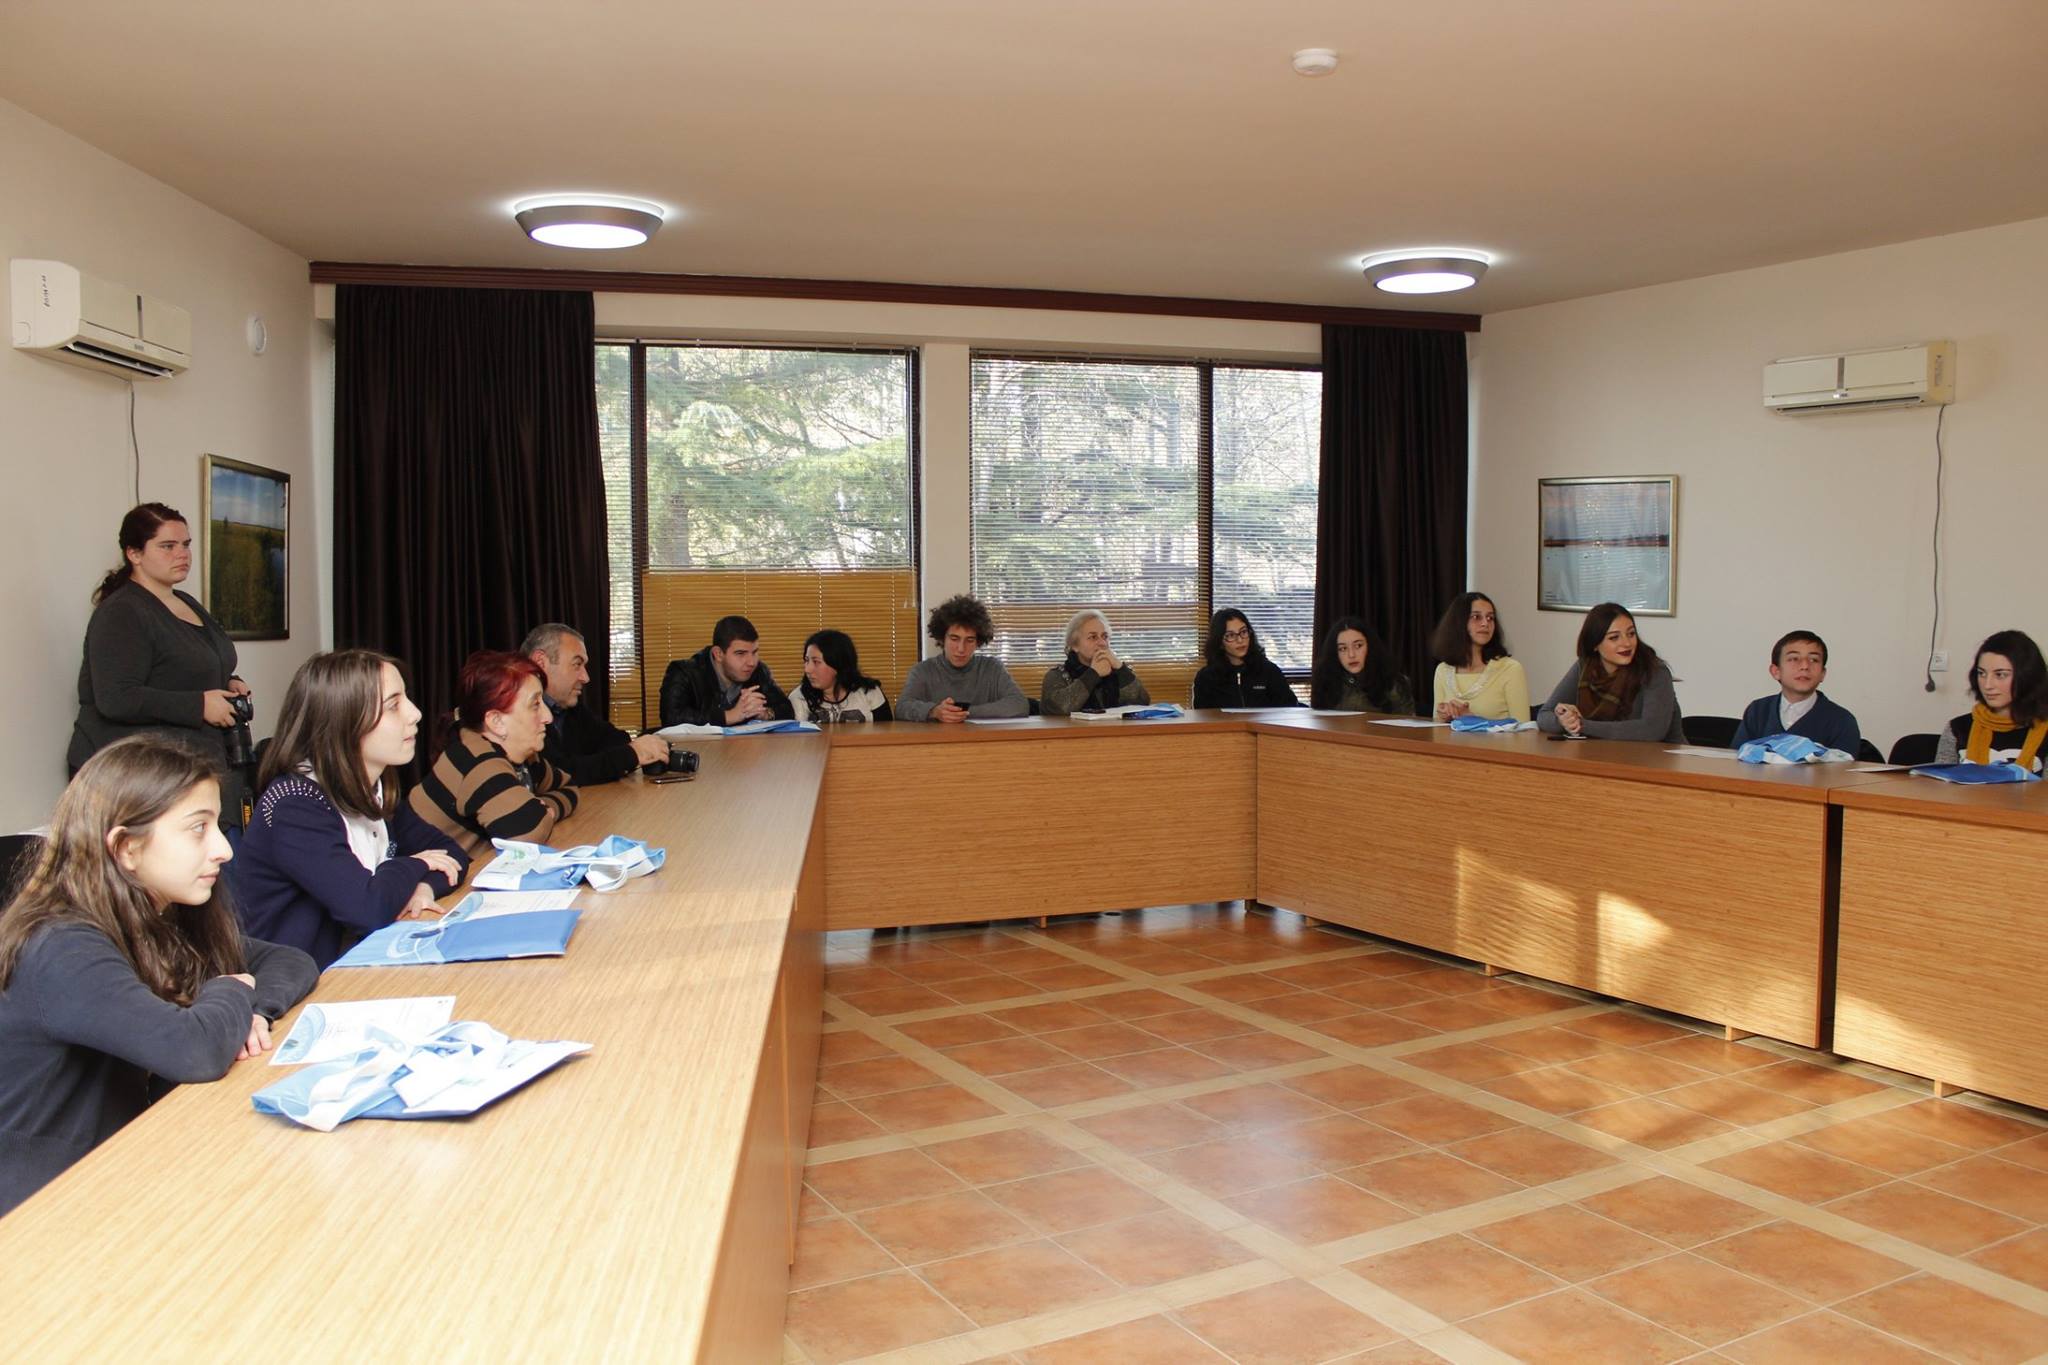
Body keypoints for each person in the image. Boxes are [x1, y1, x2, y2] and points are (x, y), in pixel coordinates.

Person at [0, 737, 317, 1216]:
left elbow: (290, 962)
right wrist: (230, 990)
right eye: (198, 829)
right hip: (44, 1209)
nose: (223, 850)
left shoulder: (159, 915)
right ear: (126, 847)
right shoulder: (62, 944)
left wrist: (249, 1013)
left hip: (123, 1164)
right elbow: (193, 1049)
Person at [232, 651, 472, 969]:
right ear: (344, 721)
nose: (415, 714)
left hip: (354, 967)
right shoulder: (296, 805)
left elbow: (452, 854)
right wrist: (416, 864)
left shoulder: (372, 788)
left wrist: (423, 887)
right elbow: (367, 908)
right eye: (393, 705)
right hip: (294, 989)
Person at [67, 503, 253, 819]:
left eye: (186, 545)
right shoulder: (122, 612)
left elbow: (183, 666)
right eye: (167, 546)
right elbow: (116, 698)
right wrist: (199, 705)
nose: (182, 554)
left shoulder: (184, 601)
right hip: (140, 778)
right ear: (134, 554)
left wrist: (228, 680)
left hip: (196, 766)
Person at [410, 652, 579, 855]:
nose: (548, 717)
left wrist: (546, 808)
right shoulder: (477, 760)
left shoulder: (525, 758)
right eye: (535, 705)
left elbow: (569, 787)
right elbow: (525, 835)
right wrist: (537, 810)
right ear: (496, 722)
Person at [524, 624, 668, 784]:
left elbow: (616, 739)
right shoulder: (517, 712)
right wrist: (630, 754)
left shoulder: (569, 708)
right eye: (577, 664)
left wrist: (633, 752)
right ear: (540, 662)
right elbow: (557, 773)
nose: (585, 678)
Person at [1536, 602, 1686, 742]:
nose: (1627, 643)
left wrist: (1583, 725)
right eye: (1614, 638)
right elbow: (1544, 715)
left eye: (1631, 634)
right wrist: (1565, 721)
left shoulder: (1655, 672)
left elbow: (1651, 730)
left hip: (1661, 757)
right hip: (1603, 754)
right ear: (1595, 644)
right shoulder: (1585, 666)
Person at [896, 595, 1029, 723]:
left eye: (969, 640)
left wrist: (962, 712)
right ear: (942, 639)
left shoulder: (992, 669)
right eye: (954, 639)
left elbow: (1019, 704)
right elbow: (902, 707)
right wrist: (934, 711)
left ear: (978, 642)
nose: (961, 648)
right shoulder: (923, 671)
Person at [1933, 630, 2048, 773]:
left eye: (2000, 675)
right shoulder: (1957, 728)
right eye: (1982, 673)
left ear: (2027, 676)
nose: (1987, 685)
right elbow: (1940, 783)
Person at [1730, 631, 1861, 753]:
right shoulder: (1758, 711)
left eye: (1814, 660)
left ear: (1823, 673)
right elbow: (1736, 760)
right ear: (1776, 671)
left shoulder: (1842, 720)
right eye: (1794, 659)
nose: (1805, 666)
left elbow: (1843, 768)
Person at [658, 616, 795, 728]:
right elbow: (671, 718)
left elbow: (787, 709)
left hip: (744, 749)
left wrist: (765, 714)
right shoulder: (684, 673)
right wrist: (730, 716)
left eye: (754, 652)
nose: (751, 662)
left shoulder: (758, 671)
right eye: (740, 653)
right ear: (718, 654)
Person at [1430, 592, 1531, 722]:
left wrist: (1473, 720)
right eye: (1476, 617)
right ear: (1459, 622)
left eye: (1490, 618)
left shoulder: (1510, 669)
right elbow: (1436, 727)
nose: (1485, 623)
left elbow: (1523, 728)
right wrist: (1445, 717)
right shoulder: (1443, 670)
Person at [1041, 611, 1151, 715]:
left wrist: (1121, 669)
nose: (1102, 643)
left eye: (1105, 636)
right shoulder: (1057, 675)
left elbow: (1141, 703)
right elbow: (1061, 709)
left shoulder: (1121, 671)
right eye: (1093, 637)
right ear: (1074, 645)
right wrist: (1093, 674)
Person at [1191, 609, 1301, 710]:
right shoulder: (1206, 678)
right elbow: (1201, 717)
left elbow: (1289, 708)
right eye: (1231, 635)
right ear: (1219, 642)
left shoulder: (1269, 671)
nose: (1240, 640)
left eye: (1243, 632)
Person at [1309, 616, 1414, 713]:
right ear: (1335, 653)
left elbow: (1407, 722)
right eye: (1343, 648)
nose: (1351, 655)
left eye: (1358, 646)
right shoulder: (1325, 681)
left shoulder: (1392, 682)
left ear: (1370, 646)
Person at [792, 630, 893, 725]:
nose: (807, 669)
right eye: (806, 660)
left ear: (838, 664)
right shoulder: (799, 698)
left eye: (816, 662)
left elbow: (887, 732)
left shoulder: (869, 693)